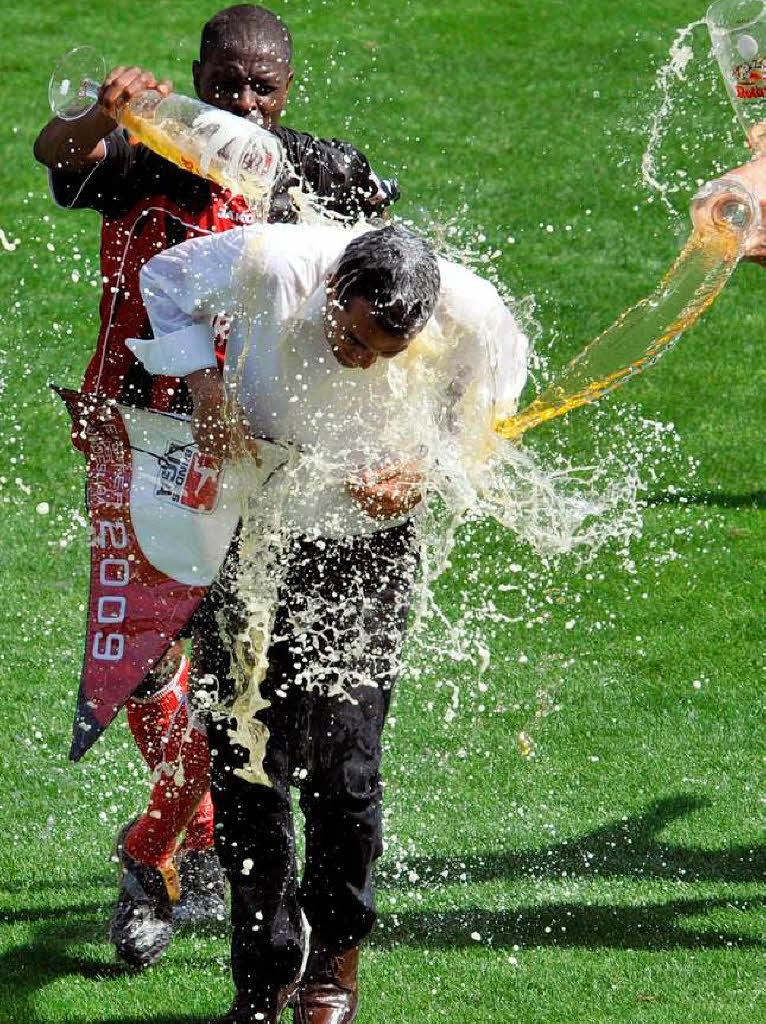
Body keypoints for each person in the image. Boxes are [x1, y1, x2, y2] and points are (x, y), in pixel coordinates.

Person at [32, 3, 399, 969]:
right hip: (136, 437)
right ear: (195, 75)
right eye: (225, 82)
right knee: (147, 670)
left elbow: (396, 270)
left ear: (288, 90)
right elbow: (54, 153)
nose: (242, 101)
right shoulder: (151, 152)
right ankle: (187, 835)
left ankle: (152, 849)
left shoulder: (318, 172)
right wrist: (105, 114)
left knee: (240, 680)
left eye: (261, 87)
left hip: (258, 458)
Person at [127, 220, 529, 1024]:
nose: (360, 356)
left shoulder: (475, 314)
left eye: (384, 350)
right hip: (249, 532)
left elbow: (495, 404)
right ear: (334, 290)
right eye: (351, 336)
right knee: (245, 768)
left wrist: (427, 468)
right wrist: (204, 389)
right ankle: (263, 975)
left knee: (345, 774)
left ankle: (334, 966)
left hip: (366, 555)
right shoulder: (274, 264)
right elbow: (162, 282)